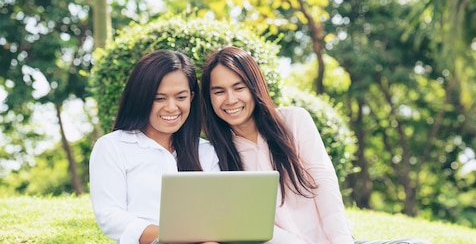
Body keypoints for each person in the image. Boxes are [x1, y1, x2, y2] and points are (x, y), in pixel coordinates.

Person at [200, 46, 429, 244]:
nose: (230, 99)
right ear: (209, 98)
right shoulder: (215, 155)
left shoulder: (293, 120)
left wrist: (341, 242)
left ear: (254, 87)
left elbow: (324, 182)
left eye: (239, 88)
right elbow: (254, 226)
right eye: (219, 91)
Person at [89, 49, 220, 244]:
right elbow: (110, 216)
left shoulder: (206, 151)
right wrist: (173, 238)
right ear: (142, 98)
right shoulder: (112, 147)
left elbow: (217, 214)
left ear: (191, 97)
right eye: (159, 98)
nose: (171, 107)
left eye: (181, 97)